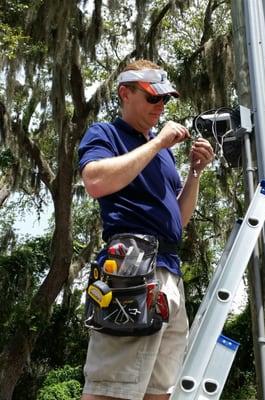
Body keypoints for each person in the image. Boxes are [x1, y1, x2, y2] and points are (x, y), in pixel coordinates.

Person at [78, 59, 214, 400]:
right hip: (131, 269)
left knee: (159, 392)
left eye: (165, 100)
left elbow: (177, 222)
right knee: (110, 390)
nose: (161, 107)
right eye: (153, 98)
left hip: (169, 272)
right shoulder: (105, 133)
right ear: (125, 93)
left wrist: (195, 172)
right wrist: (156, 143)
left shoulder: (165, 156)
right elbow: (94, 181)